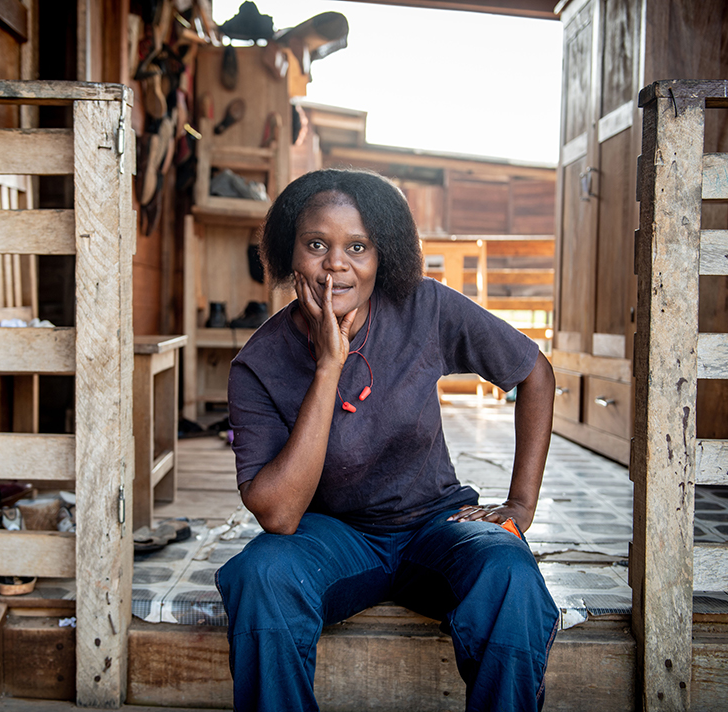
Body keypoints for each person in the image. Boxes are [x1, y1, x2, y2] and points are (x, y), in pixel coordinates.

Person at [215, 168, 559, 712]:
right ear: (289, 254)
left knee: (508, 570)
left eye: (358, 246)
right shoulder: (258, 365)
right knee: (259, 575)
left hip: (437, 526)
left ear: (384, 256)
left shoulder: (425, 307)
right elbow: (278, 516)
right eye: (316, 245)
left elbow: (533, 372)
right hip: (333, 539)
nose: (336, 264)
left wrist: (521, 504)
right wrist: (329, 367)